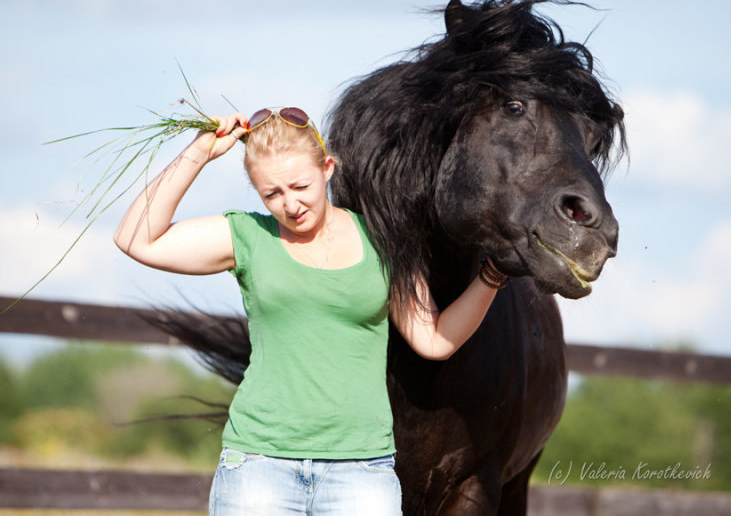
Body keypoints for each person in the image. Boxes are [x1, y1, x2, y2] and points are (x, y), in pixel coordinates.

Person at [113, 107, 509, 515]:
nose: (290, 204)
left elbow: (435, 339)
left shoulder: (383, 242)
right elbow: (135, 239)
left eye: (300, 185)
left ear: (327, 169)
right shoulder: (249, 236)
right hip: (258, 469)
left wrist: (493, 275)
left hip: (361, 472)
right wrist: (198, 155)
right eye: (272, 194)